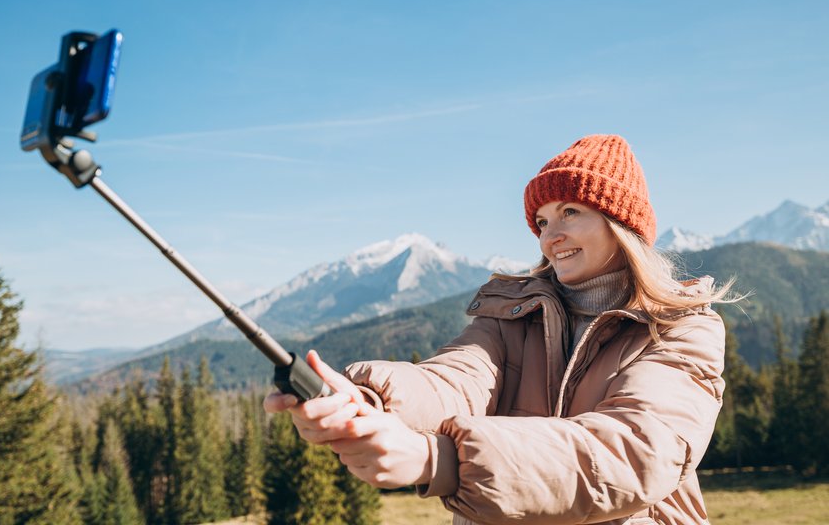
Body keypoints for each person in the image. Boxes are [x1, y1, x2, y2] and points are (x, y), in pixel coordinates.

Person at [264, 134, 735, 525]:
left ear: (621, 223)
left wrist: (439, 461)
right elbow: (456, 379)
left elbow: (633, 453)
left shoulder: (683, 329)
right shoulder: (513, 312)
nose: (551, 236)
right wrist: (365, 400)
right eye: (542, 220)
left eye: (571, 211)